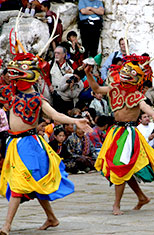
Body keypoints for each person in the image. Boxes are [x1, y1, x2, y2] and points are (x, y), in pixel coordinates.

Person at [0, 48, 92, 234]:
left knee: (20, 183)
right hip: (14, 144)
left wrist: (76, 120)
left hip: (30, 145)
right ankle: (51, 218)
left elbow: (56, 115)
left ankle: (6, 225)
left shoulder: (38, 99)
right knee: (34, 183)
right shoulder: (13, 94)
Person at [84, 54, 154, 215]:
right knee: (121, 167)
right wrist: (88, 74)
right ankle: (141, 197)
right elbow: (96, 89)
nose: (125, 72)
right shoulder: (114, 89)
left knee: (119, 166)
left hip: (129, 134)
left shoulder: (137, 96)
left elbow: (146, 107)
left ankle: (116, 205)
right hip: (115, 132)